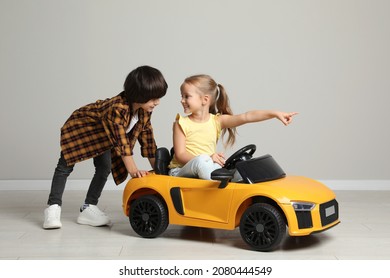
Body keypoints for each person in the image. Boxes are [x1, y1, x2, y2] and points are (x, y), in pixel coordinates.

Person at [43, 65, 168, 229]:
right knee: (64, 167)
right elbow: (121, 142)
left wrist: (161, 172)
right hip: (80, 130)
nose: (157, 103)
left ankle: (88, 208)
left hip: (103, 138)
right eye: (153, 99)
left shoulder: (144, 111)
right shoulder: (116, 108)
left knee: (104, 168)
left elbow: (148, 140)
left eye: (158, 98)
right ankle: (53, 207)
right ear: (139, 95)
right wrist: (133, 171)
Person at [168, 74, 297, 180]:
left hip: (206, 167)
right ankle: (218, 193)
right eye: (182, 96)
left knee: (241, 169)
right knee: (202, 161)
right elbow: (180, 154)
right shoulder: (181, 123)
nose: (182, 100)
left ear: (205, 100)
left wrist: (274, 114)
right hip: (180, 171)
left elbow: (247, 116)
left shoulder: (216, 121)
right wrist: (208, 157)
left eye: (187, 96)